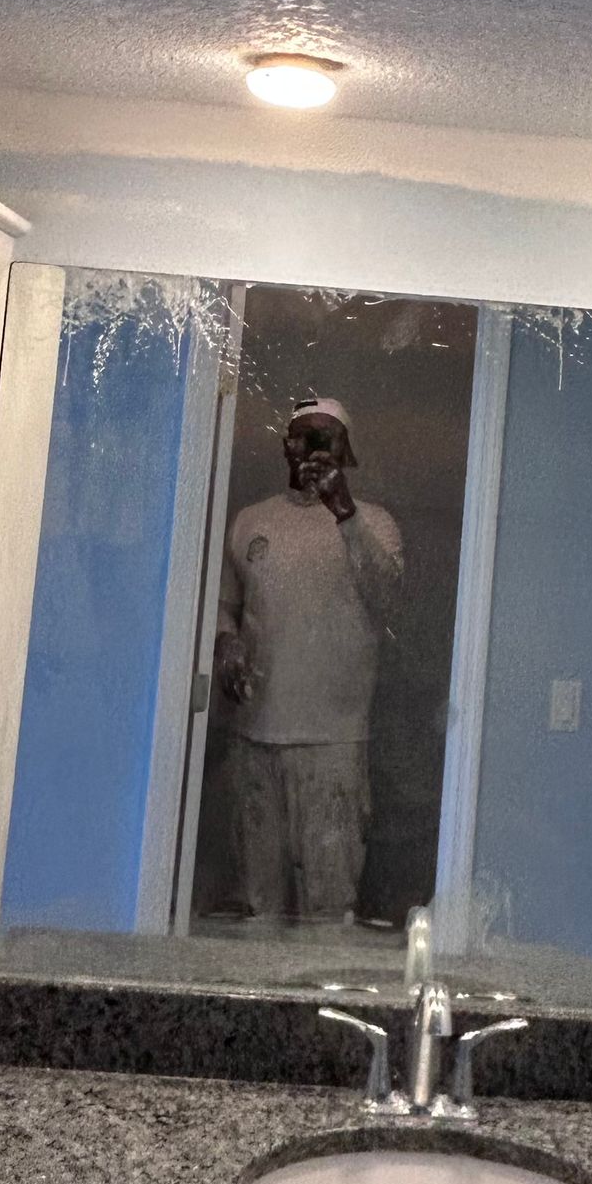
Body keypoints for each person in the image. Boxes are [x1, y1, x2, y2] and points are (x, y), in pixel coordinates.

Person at [215, 396, 403, 926]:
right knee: (259, 907)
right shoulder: (251, 521)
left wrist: (343, 510)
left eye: (326, 438)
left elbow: (388, 600)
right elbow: (224, 608)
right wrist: (226, 642)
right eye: (302, 436)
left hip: (334, 744)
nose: (312, 448)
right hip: (255, 738)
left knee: (329, 909)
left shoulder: (375, 523)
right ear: (285, 446)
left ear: (347, 451)